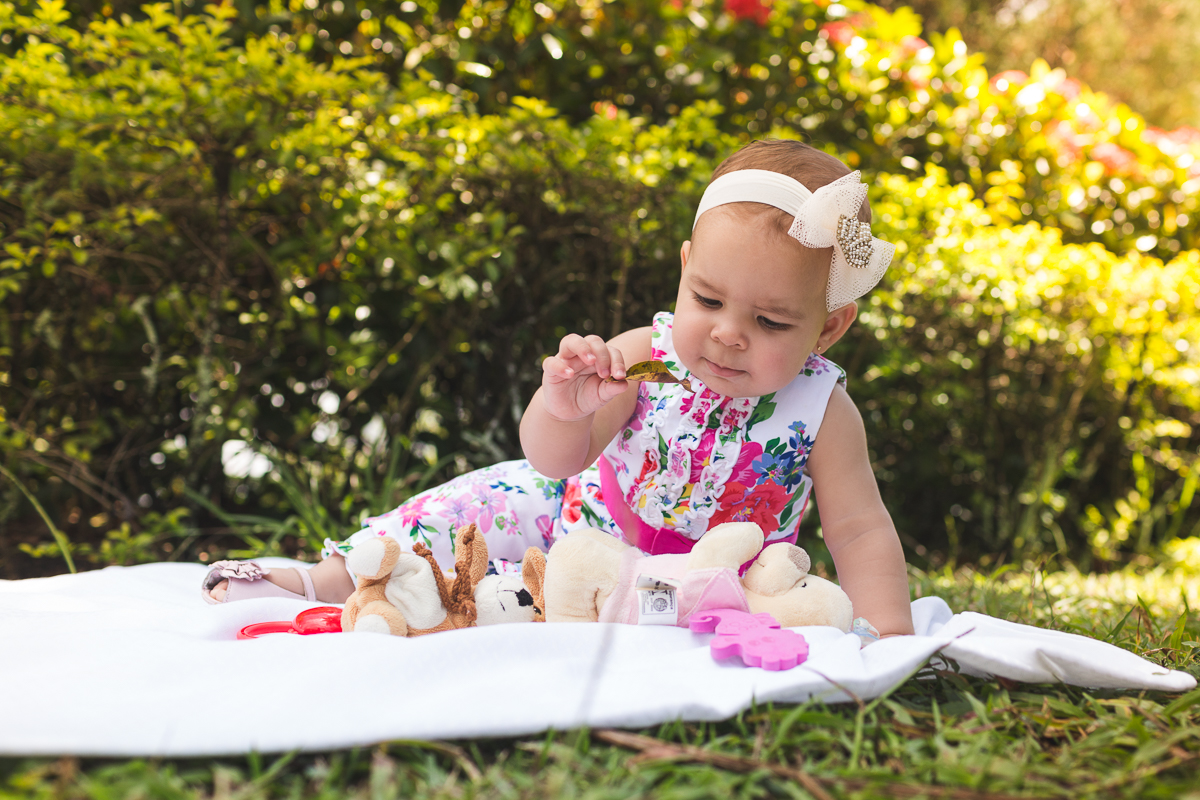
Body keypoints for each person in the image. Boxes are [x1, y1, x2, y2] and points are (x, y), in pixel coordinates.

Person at [203, 139, 915, 641]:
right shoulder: (645, 357)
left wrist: (886, 634)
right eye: (707, 299)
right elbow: (556, 461)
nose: (729, 334)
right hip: (581, 526)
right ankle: (323, 580)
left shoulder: (823, 411)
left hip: (722, 579)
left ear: (827, 329)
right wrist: (562, 408)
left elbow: (858, 528)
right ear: (685, 268)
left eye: (769, 321)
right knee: (476, 510)